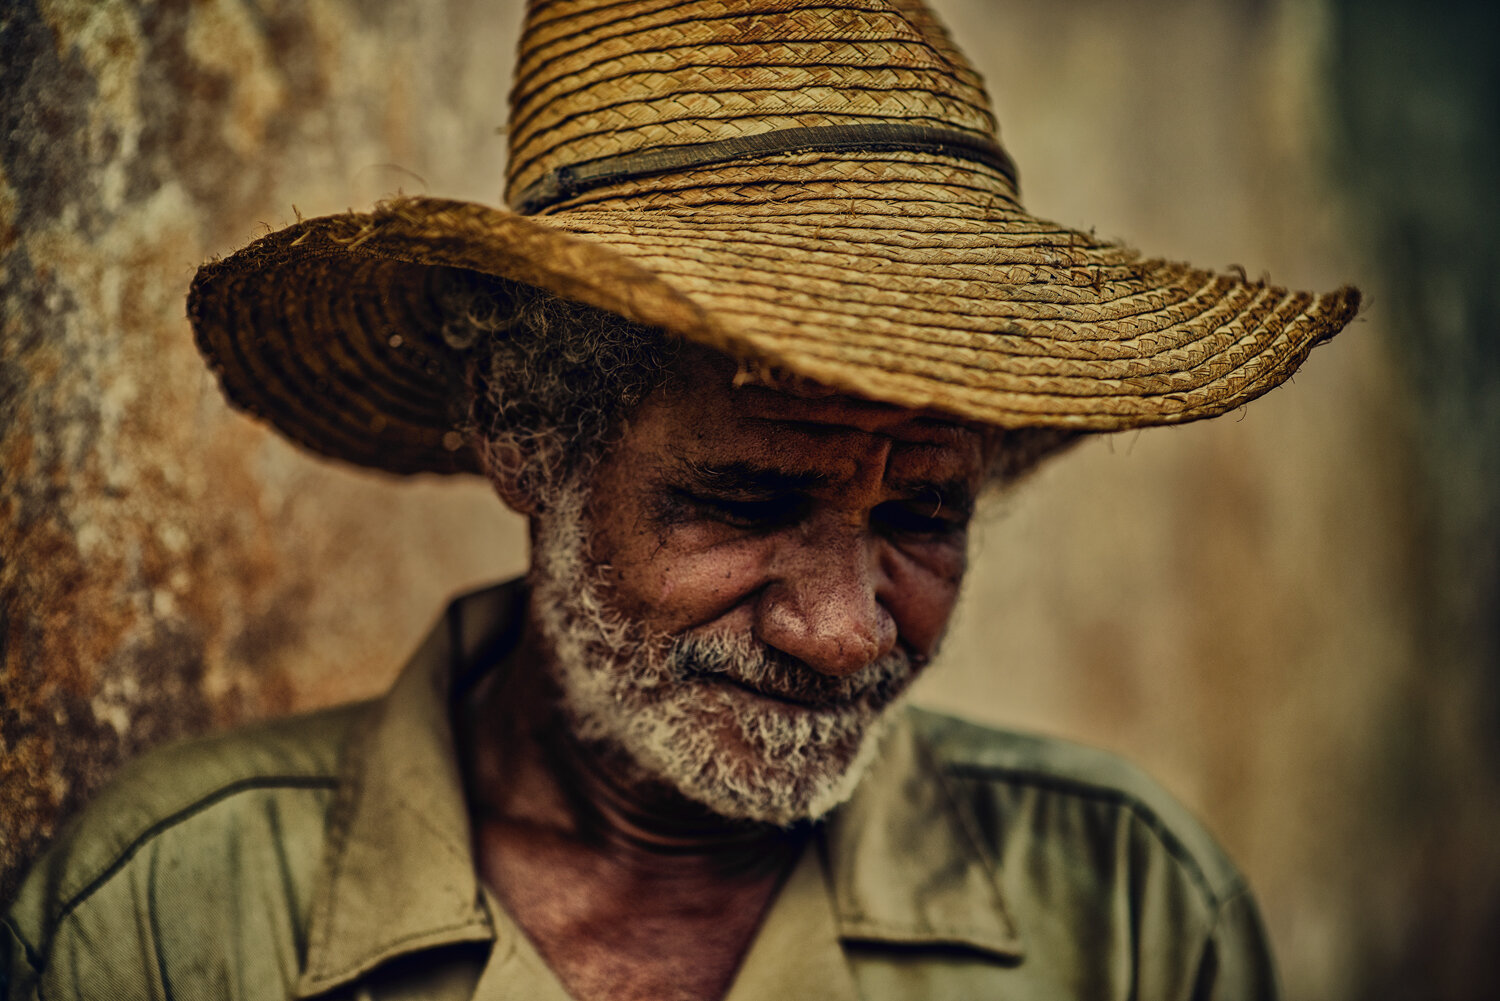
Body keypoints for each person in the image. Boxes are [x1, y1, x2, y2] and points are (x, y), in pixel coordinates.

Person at [2, 1, 1358, 999]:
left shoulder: (1131, 918)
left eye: (922, 515)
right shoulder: (169, 919)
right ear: (523, 438)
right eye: (742, 499)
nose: (842, 632)